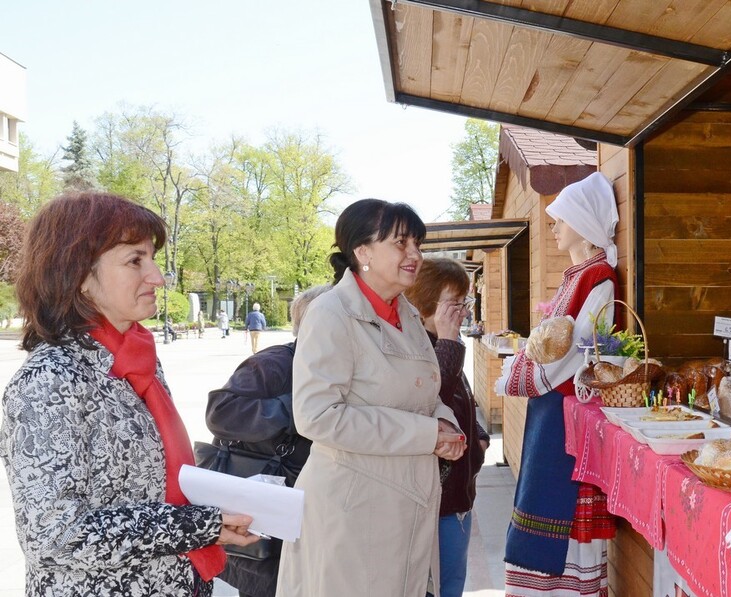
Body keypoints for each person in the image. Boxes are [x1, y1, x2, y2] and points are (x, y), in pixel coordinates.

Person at [0, 192, 258, 596]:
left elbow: (151, 483)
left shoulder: (137, 356)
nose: (157, 276)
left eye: (152, 258)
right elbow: (53, 536)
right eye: (135, 260)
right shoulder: (50, 380)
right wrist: (197, 525)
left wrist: (220, 508)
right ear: (80, 275)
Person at [275, 199, 466, 597]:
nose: (415, 254)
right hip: (354, 511)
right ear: (362, 252)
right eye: (400, 243)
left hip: (404, 502)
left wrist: (444, 421)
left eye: (417, 243)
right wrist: (426, 434)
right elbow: (317, 416)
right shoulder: (331, 313)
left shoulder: (406, 312)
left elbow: (423, 390)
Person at [495, 172, 621, 596]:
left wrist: (527, 375)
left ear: (583, 223)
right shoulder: (577, 274)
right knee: (538, 488)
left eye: (560, 220)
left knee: (557, 494)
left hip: (567, 404)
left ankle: (564, 588)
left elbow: (579, 345)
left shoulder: (599, 276)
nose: (553, 229)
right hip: (552, 406)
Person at [206, 282, 339, 597]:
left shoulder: (335, 366)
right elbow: (221, 412)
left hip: (311, 516)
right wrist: (296, 409)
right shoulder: (274, 363)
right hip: (269, 521)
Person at [404, 257, 490, 597]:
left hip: (458, 494)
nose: (464, 312)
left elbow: (462, 403)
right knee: (440, 588)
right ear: (425, 302)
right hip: (437, 501)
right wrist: (450, 341)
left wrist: (480, 439)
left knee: (452, 584)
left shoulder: (441, 344)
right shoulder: (421, 349)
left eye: (464, 303)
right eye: (455, 304)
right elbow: (429, 399)